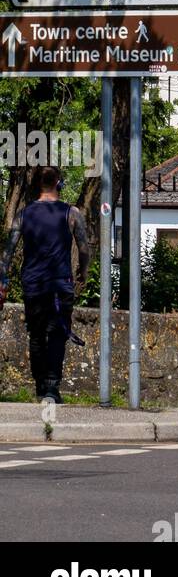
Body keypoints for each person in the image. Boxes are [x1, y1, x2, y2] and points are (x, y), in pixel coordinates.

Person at [0, 168, 91, 403]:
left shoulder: (24, 214)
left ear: (38, 184)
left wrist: (3, 279)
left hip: (33, 284)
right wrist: (83, 271)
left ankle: (40, 386)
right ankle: (52, 387)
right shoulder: (71, 213)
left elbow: (8, 252)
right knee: (58, 334)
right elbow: (83, 247)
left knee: (37, 335)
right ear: (59, 184)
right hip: (61, 284)